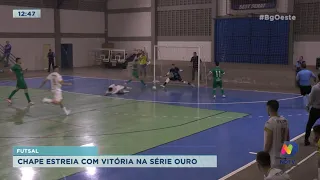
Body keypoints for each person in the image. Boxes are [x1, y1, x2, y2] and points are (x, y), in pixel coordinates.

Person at [264, 100, 289, 169]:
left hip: (273, 157)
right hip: (282, 156)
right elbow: (288, 139)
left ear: (268, 108)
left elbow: (268, 142)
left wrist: (264, 154)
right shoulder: (285, 121)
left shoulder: (269, 123)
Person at [305, 73, 320, 146]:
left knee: (309, 125)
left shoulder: (315, 88)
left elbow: (311, 99)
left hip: (315, 109)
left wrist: (308, 106)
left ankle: (306, 140)